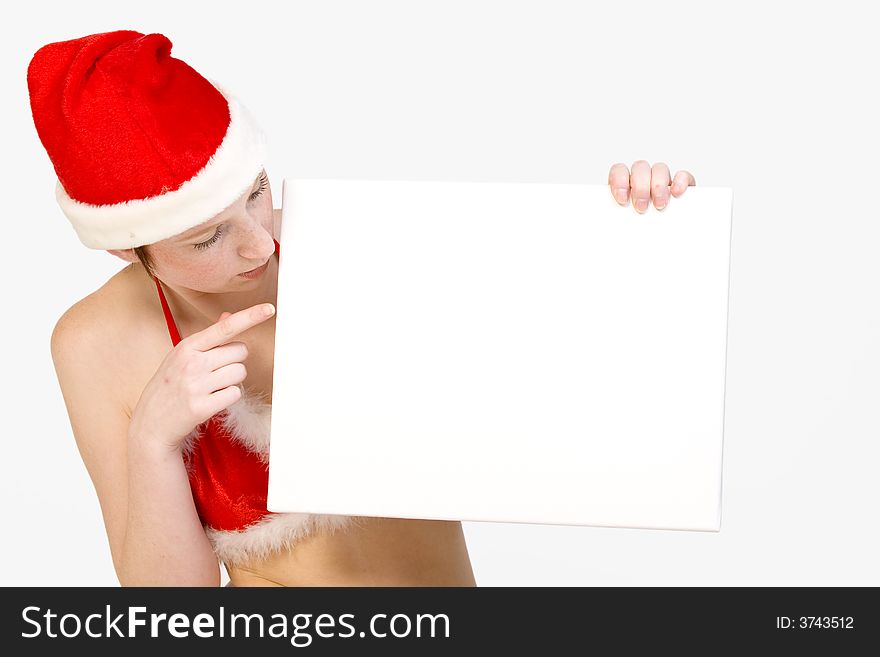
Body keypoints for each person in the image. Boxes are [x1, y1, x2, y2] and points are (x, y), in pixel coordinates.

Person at [28, 30, 694, 587]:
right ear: (123, 246)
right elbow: (170, 612)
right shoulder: (94, 343)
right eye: (207, 236)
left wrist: (636, 222)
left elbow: (568, 345)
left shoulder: (362, 241)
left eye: (255, 191)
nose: (262, 241)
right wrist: (153, 441)